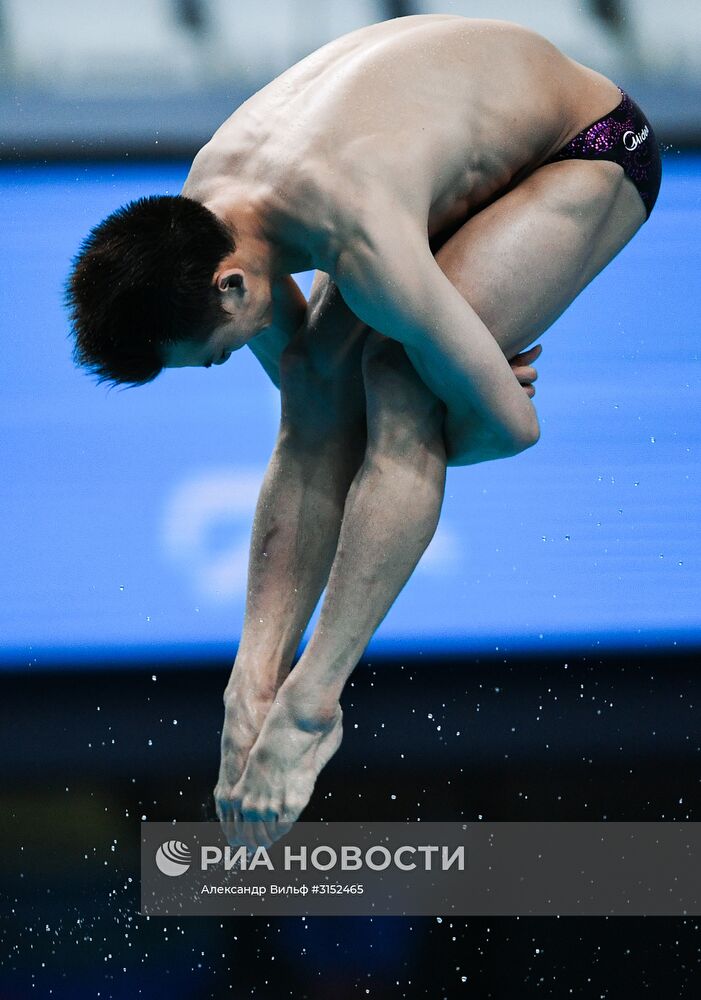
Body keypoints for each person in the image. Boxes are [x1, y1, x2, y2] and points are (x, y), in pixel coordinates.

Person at [66, 14, 662, 848]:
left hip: (583, 147)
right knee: (323, 383)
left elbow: (511, 428)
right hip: (437, 158)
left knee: (399, 383)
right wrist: (252, 668)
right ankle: (255, 691)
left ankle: (313, 707)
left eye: (206, 358)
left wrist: (464, 390)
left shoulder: (354, 231)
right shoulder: (207, 210)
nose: (214, 367)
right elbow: (311, 422)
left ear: (233, 289)